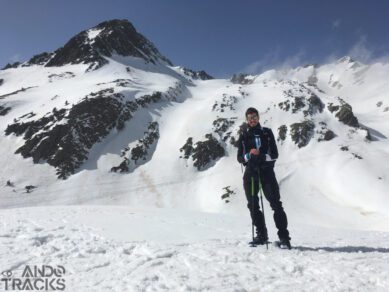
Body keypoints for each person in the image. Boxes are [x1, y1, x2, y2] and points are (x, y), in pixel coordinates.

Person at [237, 107, 291, 249]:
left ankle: (284, 237)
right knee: (253, 205)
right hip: (251, 173)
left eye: (254, 117)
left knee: (275, 204)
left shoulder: (267, 133)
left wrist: (262, 156)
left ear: (258, 117)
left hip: (266, 172)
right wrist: (249, 155)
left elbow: (274, 154)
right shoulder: (243, 135)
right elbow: (239, 158)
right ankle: (262, 235)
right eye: (249, 118)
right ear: (246, 120)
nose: (252, 120)